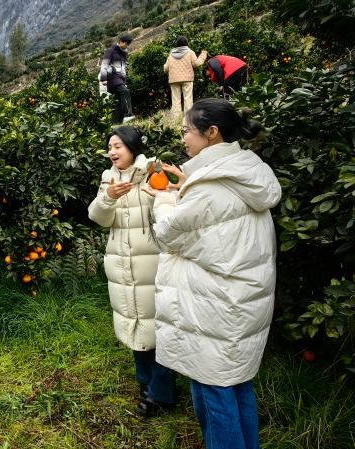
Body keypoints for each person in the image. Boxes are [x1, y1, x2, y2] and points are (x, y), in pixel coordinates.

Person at [142, 99, 280, 448]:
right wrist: (187, 187)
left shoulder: (209, 186)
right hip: (240, 300)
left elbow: (168, 233)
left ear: (211, 133)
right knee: (236, 385)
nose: (184, 138)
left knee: (213, 395)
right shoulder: (245, 171)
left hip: (214, 306)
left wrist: (163, 198)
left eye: (187, 131)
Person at [88, 126, 177, 418]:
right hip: (120, 261)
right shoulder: (108, 178)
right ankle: (146, 384)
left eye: (118, 146)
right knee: (134, 323)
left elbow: (167, 214)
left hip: (151, 260)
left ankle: (162, 393)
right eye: (109, 147)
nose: (112, 152)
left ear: (133, 147)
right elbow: (99, 218)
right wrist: (108, 197)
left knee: (158, 326)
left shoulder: (153, 171)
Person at [163, 35, 207, 118]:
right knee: (188, 99)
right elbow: (196, 64)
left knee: (176, 100)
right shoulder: (190, 52)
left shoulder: (171, 54)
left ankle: (176, 120)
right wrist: (203, 56)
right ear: (186, 43)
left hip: (174, 79)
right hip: (187, 78)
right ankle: (188, 118)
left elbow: (166, 68)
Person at [100, 34, 134, 124]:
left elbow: (123, 70)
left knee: (118, 100)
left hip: (119, 79)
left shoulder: (124, 54)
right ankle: (127, 116)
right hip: (112, 77)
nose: (127, 46)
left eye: (128, 45)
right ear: (121, 42)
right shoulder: (111, 51)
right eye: (126, 44)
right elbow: (104, 64)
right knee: (125, 92)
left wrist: (124, 82)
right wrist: (103, 78)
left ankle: (112, 122)